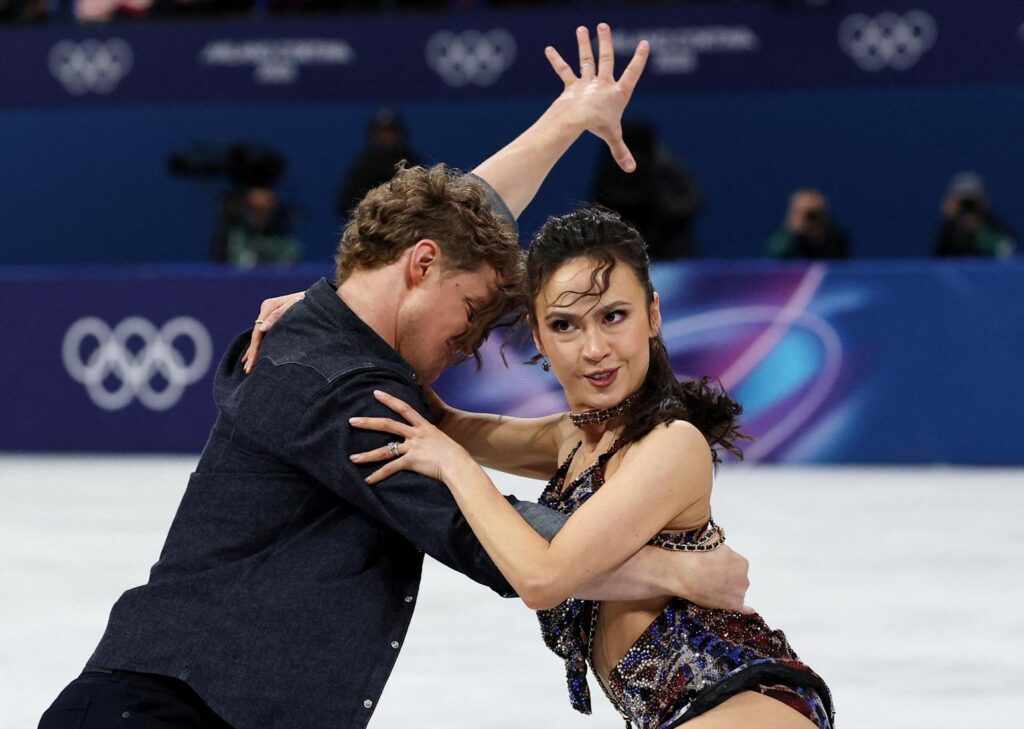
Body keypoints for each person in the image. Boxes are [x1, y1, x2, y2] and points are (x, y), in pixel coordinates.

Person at [40, 25, 751, 729]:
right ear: (418, 266)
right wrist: (677, 569)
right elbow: (500, 543)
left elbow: (459, 220)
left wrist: (567, 119)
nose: (464, 345)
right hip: (165, 709)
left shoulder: (331, 341)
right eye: (469, 313)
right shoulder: (335, 382)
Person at [349, 206, 835, 728]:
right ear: (538, 337)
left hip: (745, 701)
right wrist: (335, 314)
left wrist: (455, 466)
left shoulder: (672, 445)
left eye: (614, 316)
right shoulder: (570, 440)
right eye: (565, 325)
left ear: (652, 315)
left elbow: (542, 578)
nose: (595, 349)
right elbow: (442, 421)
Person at [591, 119, 705, 259]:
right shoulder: (609, 175)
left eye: (640, 148)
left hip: (667, 246)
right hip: (619, 246)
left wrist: (666, 216)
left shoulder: (665, 168)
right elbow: (599, 207)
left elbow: (695, 200)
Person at [335, 107, 423, 219]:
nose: (386, 136)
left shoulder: (411, 162)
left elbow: (424, 201)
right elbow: (347, 204)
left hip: (407, 227)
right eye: (381, 131)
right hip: (371, 228)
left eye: (390, 131)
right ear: (373, 134)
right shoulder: (363, 165)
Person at [933, 171, 1016, 258]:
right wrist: (948, 219)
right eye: (963, 202)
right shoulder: (950, 226)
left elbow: (1007, 248)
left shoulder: (992, 223)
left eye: (972, 201)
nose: (968, 206)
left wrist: (980, 232)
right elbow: (939, 257)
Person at [766, 189, 850, 260]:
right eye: (803, 213)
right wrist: (791, 232)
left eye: (813, 214)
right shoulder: (785, 238)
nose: (809, 219)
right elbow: (775, 260)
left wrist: (819, 236)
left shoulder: (836, 237)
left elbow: (841, 267)